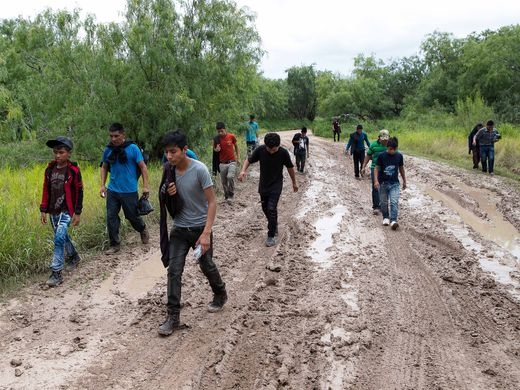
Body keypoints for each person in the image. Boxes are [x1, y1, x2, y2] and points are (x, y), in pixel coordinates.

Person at [158, 130, 227, 336]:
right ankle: (173, 317)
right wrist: (167, 193)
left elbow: (212, 202)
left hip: (199, 229)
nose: (169, 157)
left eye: (173, 152)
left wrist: (206, 233)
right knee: (174, 271)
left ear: (184, 150)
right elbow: (163, 198)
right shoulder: (168, 171)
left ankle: (220, 293)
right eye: (167, 153)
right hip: (179, 228)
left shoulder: (200, 170)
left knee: (206, 265)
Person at [238, 133, 298, 247]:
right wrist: (243, 171)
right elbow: (249, 160)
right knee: (265, 208)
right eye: (269, 149)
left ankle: (271, 235)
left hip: (276, 185)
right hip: (264, 185)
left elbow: (290, 167)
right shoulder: (260, 150)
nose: (271, 151)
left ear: (278, 146)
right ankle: (273, 223)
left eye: (273, 149)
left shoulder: (283, 153)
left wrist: (294, 182)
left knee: (271, 208)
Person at [100, 122, 150, 254]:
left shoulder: (133, 148)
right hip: (113, 190)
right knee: (111, 216)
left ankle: (142, 228)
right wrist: (102, 185)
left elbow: (143, 167)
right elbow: (104, 167)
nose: (113, 139)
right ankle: (115, 244)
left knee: (132, 216)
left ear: (123, 135)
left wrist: (145, 186)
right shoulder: (108, 150)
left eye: (116, 136)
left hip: (129, 190)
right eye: (111, 136)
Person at [40, 136, 83, 287]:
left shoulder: (73, 171)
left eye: (61, 152)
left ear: (69, 153)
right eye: (55, 152)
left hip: (67, 210)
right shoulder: (50, 170)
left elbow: (79, 191)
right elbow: (46, 189)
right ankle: (74, 256)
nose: (58, 155)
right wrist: (43, 209)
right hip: (53, 211)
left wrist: (77, 212)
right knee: (62, 237)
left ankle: (56, 272)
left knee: (58, 238)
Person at [374, 137, 407, 230]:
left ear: (396, 148)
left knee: (394, 201)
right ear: (387, 147)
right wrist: (376, 181)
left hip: (394, 183)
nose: (391, 151)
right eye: (390, 149)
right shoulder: (381, 156)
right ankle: (385, 217)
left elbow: (401, 168)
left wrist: (404, 180)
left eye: (393, 149)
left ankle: (393, 220)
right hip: (383, 183)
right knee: (383, 203)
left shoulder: (399, 156)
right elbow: (376, 168)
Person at [361, 129, 390, 215]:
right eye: (383, 139)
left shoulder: (390, 145)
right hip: (375, 169)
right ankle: (376, 207)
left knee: (386, 187)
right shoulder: (373, 145)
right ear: (379, 138)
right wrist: (363, 167)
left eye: (386, 139)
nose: (385, 141)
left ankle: (383, 205)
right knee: (376, 187)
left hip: (386, 170)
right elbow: (368, 156)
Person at [213, 122, 240, 202]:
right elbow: (214, 150)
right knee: (224, 182)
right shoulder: (216, 139)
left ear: (225, 129)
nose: (220, 133)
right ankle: (226, 196)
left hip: (232, 162)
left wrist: (238, 158)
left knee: (230, 177)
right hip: (222, 163)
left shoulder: (231, 136)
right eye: (218, 132)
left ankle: (231, 194)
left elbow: (236, 146)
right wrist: (216, 150)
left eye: (221, 131)